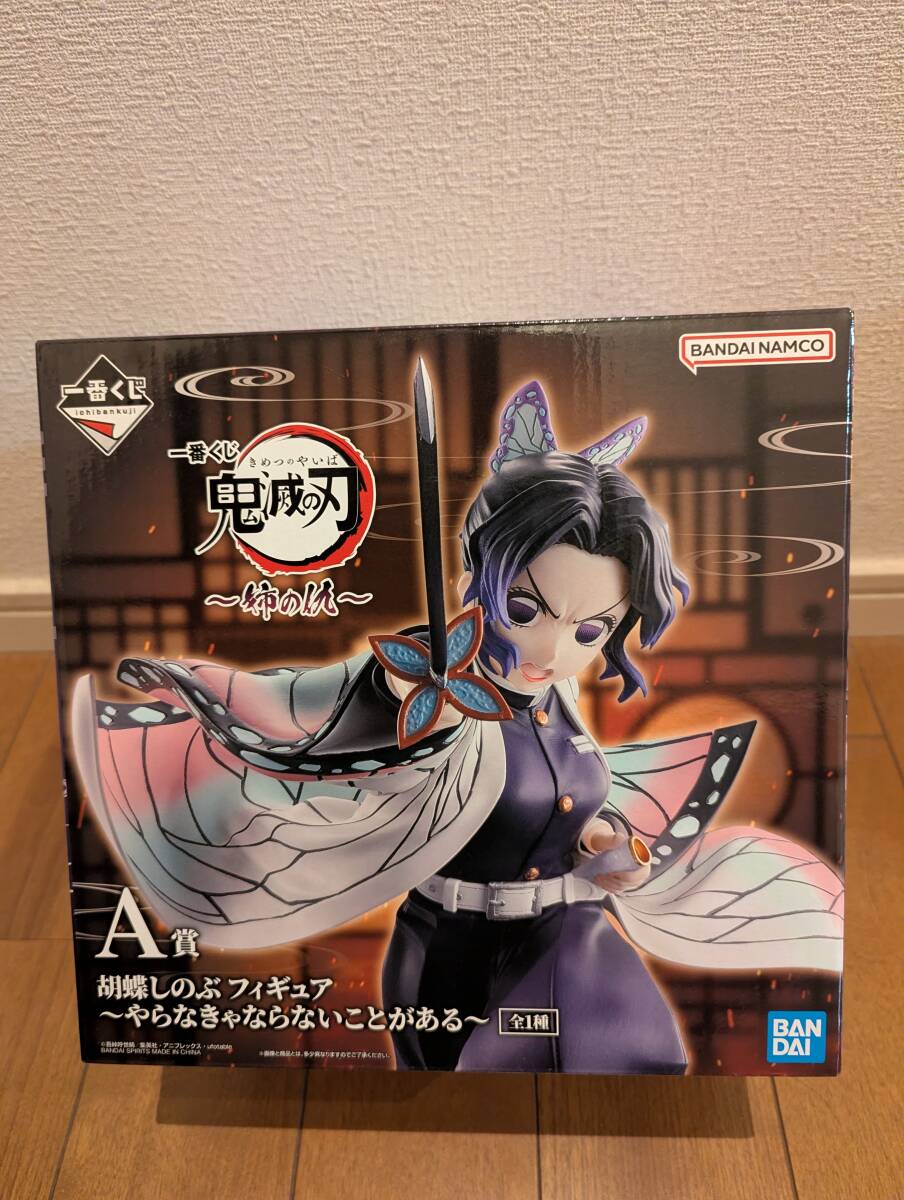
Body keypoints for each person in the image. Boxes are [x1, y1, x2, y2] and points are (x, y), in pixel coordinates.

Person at [72, 380, 843, 1073]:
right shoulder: (425, 676)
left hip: (564, 944)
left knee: (607, 1029)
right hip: (440, 950)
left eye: (591, 630)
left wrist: (604, 842)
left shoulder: (554, 696)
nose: (551, 651)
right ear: (476, 576)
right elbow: (305, 705)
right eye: (524, 609)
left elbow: (562, 800)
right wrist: (201, 682)